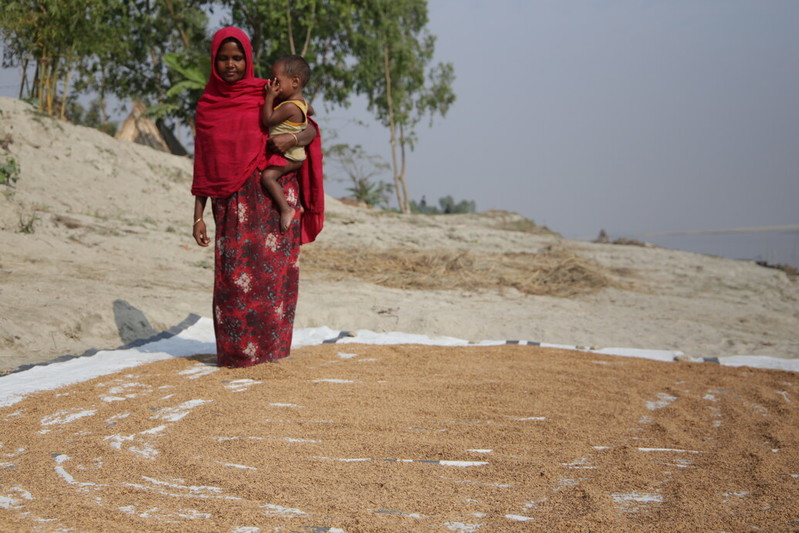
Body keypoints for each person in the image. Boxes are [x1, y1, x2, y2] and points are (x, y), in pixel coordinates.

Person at [191, 26, 324, 368]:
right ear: (214, 60)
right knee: (233, 280)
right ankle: (236, 357)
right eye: (223, 58)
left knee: (273, 280)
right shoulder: (207, 107)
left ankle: (272, 352)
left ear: (248, 59)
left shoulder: (263, 91)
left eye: (237, 58)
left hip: (271, 201)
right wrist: (197, 216)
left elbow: (308, 125)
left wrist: (293, 141)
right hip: (231, 205)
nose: (230, 65)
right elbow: (204, 165)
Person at [261, 55, 312, 234]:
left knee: (268, 177)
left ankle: (285, 209)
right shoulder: (301, 103)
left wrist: (269, 97)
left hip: (291, 156)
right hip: (296, 153)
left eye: (277, 80)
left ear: (295, 82)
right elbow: (311, 110)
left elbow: (268, 120)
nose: (272, 84)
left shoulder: (289, 107)